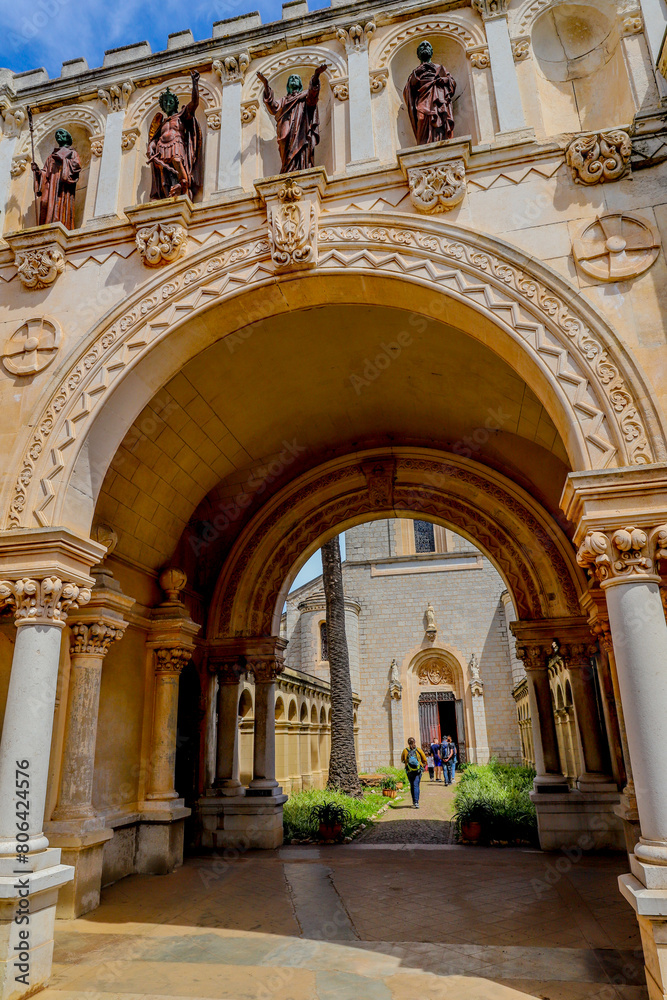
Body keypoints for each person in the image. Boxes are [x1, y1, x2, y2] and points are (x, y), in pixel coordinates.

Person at [258, 64, 327, 174]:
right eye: (291, 79)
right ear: (288, 85)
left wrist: (316, 75)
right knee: (284, 143)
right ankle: (287, 168)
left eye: (296, 78)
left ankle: (301, 167)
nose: (294, 80)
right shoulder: (284, 101)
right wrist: (266, 85)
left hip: (301, 127)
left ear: (300, 83)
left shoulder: (305, 95)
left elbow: (313, 96)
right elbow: (273, 107)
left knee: (301, 146)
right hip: (285, 125)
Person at [147, 69, 202, 200]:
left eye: (170, 101)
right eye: (165, 102)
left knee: (177, 161)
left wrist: (195, 84)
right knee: (163, 172)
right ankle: (168, 195)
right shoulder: (162, 123)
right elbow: (154, 139)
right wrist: (150, 148)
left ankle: (183, 185)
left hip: (177, 143)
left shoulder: (181, 115)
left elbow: (194, 103)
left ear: (175, 103)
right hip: (161, 147)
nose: (167, 104)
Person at [403, 40, 456, 146]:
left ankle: (441, 140)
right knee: (422, 118)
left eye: (428, 45)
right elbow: (409, 90)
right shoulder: (416, 71)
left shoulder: (439, 68)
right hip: (423, 99)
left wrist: (444, 80)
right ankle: (424, 142)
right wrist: (416, 74)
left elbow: (451, 82)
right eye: (422, 46)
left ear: (431, 51)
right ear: (418, 54)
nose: (425, 47)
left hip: (439, 98)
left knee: (440, 119)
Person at [31, 128, 82, 229]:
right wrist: (38, 172)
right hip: (51, 186)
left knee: (60, 205)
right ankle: (48, 223)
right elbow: (45, 172)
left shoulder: (72, 153)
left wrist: (64, 161)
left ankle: (62, 223)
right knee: (46, 203)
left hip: (63, 185)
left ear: (67, 137)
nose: (58, 136)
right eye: (57, 135)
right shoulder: (51, 157)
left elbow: (76, 166)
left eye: (61, 133)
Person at [401, 737, 427, 808]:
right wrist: (422, 766)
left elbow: (402, 760)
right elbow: (424, 759)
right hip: (418, 771)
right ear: (414, 742)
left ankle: (414, 801)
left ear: (408, 743)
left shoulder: (405, 751)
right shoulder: (418, 750)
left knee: (412, 785)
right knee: (416, 785)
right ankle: (416, 802)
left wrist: (408, 763)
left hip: (409, 770)